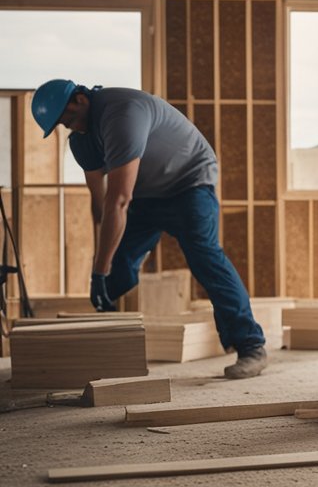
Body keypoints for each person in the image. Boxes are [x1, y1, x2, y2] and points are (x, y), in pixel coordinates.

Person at [31, 80, 267, 379]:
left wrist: (98, 271)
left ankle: (251, 346)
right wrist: (102, 271)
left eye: (70, 118)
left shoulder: (122, 113)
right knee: (115, 270)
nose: (69, 127)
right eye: (62, 125)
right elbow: (101, 206)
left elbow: (119, 200)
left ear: (80, 99)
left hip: (189, 182)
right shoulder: (81, 140)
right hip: (145, 194)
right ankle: (107, 350)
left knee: (205, 258)